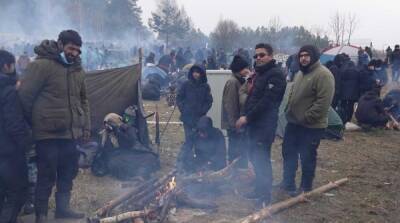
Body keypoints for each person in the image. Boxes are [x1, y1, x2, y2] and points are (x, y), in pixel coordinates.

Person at [19, 30, 90, 222]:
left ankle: (62, 209)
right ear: (60, 44)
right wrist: (34, 124)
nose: (74, 53)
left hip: (71, 133)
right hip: (47, 134)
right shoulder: (41, 66)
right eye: (70, 48)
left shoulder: (78, 71)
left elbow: (84, 101)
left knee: (68, 173)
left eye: (77, 50)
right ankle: (41, 214)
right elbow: (25, 98)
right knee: (46, 175)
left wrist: (86, 127)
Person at [236, 43, 286, 205]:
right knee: (255, 158)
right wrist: (245, 115)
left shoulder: (276, 75)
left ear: (271, 56)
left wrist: (247, 118)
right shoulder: (260, 74)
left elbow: (267, 102)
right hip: (253, 125)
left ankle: (265, 196)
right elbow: (252, 98)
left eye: (262, 55)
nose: (258, 58)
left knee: (262, 159)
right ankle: (258, 189)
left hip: (264, 126)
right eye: (256, 55)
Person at [282, 45, 334, 195]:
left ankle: (305, 187)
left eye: (306, 55)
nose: (303, 58)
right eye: (301, 55)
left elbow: (323, 103)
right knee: (288, 152)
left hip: (311, 126)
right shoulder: (300, 73)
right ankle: (288, 183)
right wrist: (288, 110)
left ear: (314, 57)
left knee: (307, 157)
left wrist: (306, 118)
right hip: (293, 123)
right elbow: (292, 93)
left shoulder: (324, 75)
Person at [0, 50, 30, 223]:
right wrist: (25, 143)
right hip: (8, 153)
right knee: (15, 194)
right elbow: (14, 125)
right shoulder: (9, 92)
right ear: (7, 66)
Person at [176, 65, 213, 172]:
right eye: (194, 72)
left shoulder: (205, 86)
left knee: (199, 140)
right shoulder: (186, 85)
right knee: (189, 140)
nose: (195, 74)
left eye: (198, 72)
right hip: (187, 118)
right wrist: (183, 108)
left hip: (199, 119)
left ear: (202, 74)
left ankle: (198, 163)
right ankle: (184, 163)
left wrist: (203, 110)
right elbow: (179, 97)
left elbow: (209, 101)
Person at [222, 55, 250, 168]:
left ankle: (240, 171)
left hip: (238, 123)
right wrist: (234, 125)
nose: (248, 70)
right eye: (245, 68)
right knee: (235, 150)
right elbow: (230, 105)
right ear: (239, 69)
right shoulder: (233, 82)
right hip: (234, 125)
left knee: (240, 149)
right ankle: (233, 173)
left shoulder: (240, 81)